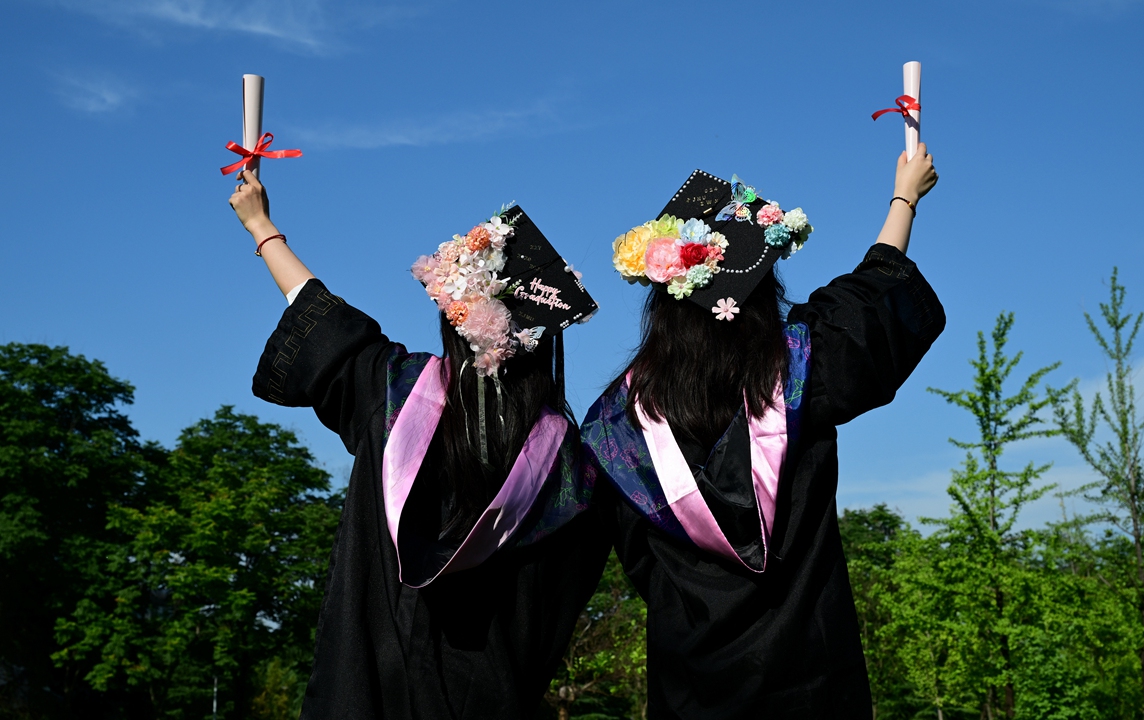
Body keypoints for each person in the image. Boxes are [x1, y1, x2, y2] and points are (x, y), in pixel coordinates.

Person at [228, 169, 611, 719]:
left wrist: (262, 226)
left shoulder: (396, 395)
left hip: (364, 694)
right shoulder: (572, 468)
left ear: (456, 323)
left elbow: (323, 323)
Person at [583, 146, 944, 717]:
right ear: (756, 293)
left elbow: (637, 561)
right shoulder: (801, 371)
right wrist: (905, 199)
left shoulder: (617, 426)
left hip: (690, 689)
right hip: (812, 680)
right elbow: (870, 298)